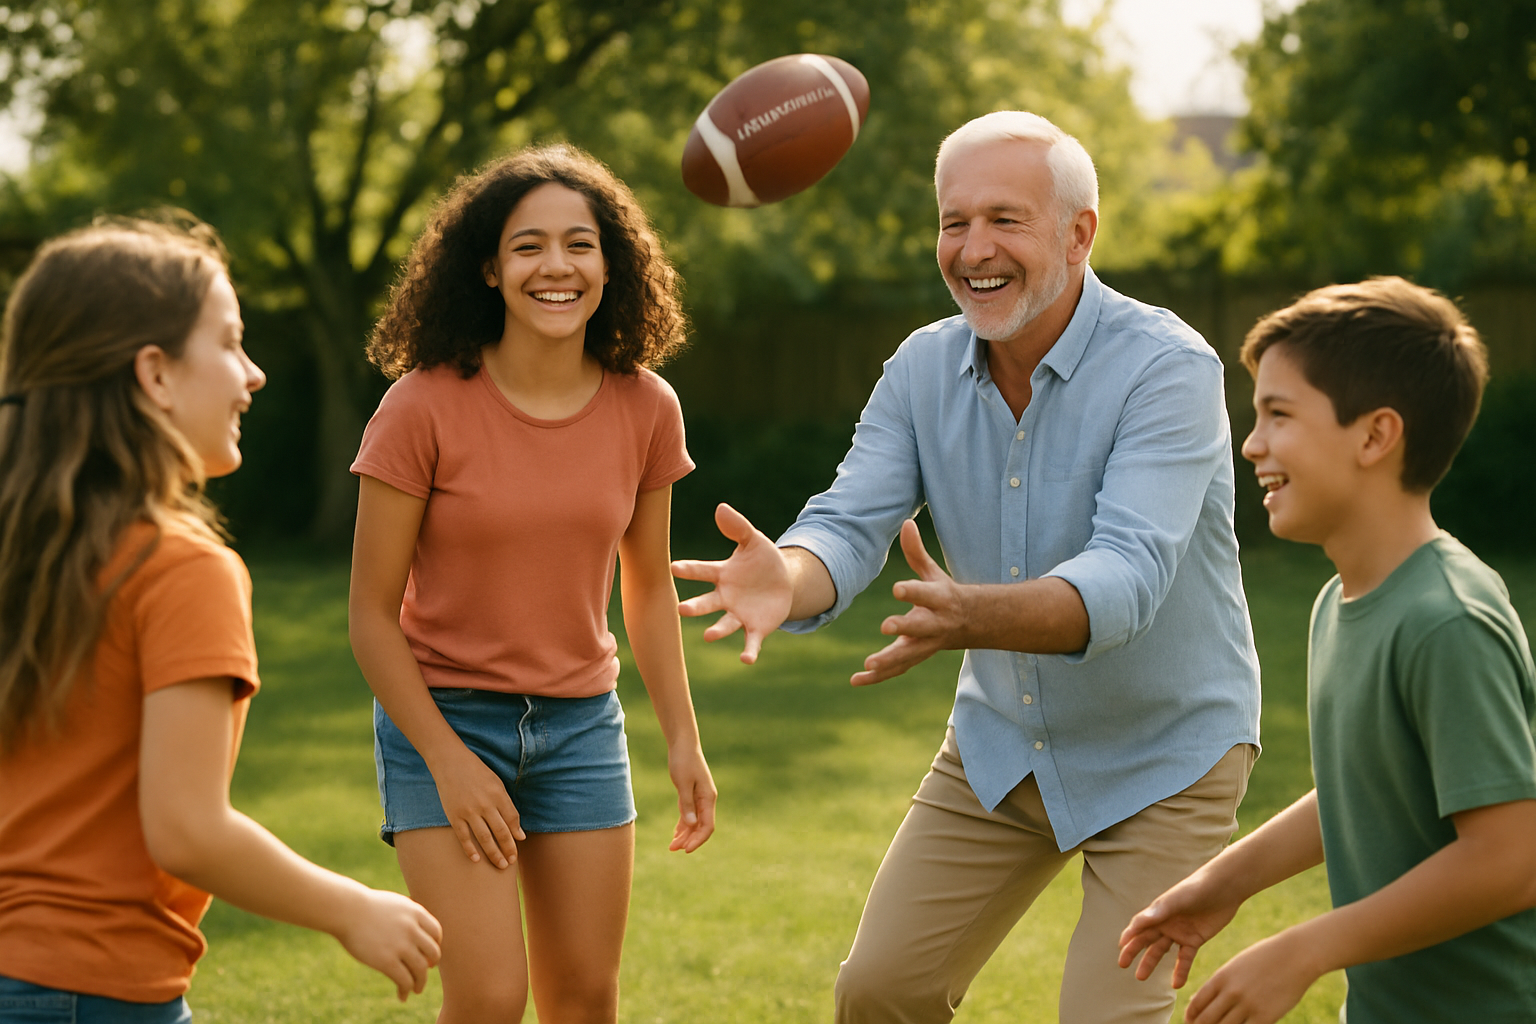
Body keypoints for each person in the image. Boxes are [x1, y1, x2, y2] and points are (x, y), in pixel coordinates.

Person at [672, 110, 1261, 1023]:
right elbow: (849, 521)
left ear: (1079, 234)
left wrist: (972, 616)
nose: (973, 249)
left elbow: (1128, 577)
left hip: (1165, 754)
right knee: (881, 992)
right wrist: (788, 575)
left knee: (1105, 1017)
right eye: (955, 222)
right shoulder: (921, 369)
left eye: (1004, 220)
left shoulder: (1166, 367)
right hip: (1003, 746)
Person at [0, 216, 443, 1022]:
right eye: (231, 343)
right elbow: (186, 829)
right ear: (155, 374)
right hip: (91, 990)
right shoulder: (180, 570)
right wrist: (351, 908)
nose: (254, 374)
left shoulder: (22, 554)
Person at [349, 143, 716, 1024]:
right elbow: (369, 615)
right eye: (528, 246)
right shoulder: (421, 405)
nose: (557, 266)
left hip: (580, 727)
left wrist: (683, 740)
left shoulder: (646, 407)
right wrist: (448, 761)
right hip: (444, 719)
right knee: (487, 999)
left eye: (580, 244)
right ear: (489, 268)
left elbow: (646, 589)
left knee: (584, 1000)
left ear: (611, 265)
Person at [1119, 278, 1536, 1024]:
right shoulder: (1340, 603)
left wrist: (1306, 949)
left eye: (1278, 415)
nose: (1251, 443)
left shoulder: (1446, 620)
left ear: (1375, 436)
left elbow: (1510, 859)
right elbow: (1367, 788)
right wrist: (1224, 882)